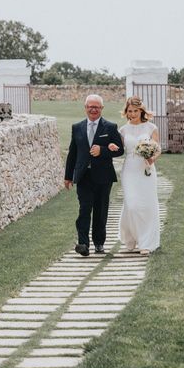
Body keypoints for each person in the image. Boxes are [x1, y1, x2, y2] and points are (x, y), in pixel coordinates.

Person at [65, 94, 124, 256]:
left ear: (101, 109)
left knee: (100, 210)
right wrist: (68, 176)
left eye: (96, 107)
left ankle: (99, 242)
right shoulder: (77, 127)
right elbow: (73, 153)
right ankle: (83, 244)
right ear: (85, 108)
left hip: (104, 177)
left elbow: (120, 150)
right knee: (84, 209)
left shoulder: (110, 127)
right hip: (83, 176)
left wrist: (103, 150)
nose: (93, 109)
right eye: (90, 106)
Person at [108, 96, 161, 255]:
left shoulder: (151, 128)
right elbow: (119, 149)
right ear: (126, 112)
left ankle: (146, 243)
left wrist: (152, 158)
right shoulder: (123, 130)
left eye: (135, 111)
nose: (132, 114)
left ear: (141, 110)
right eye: (129, 111)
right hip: (130, 169)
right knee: (131, 205)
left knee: (147, 205)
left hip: (146, 169)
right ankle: (130, 238)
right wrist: (111, 146)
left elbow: (158, 149)